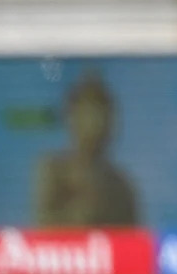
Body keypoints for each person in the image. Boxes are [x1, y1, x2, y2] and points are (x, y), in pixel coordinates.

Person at [35, 71, 139, 226]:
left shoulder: (121, 185)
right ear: (71, 117)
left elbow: (133, 242)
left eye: (104, 115)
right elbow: (43, 230)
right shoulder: (54, 171)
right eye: (89, 113)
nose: (97, 124)